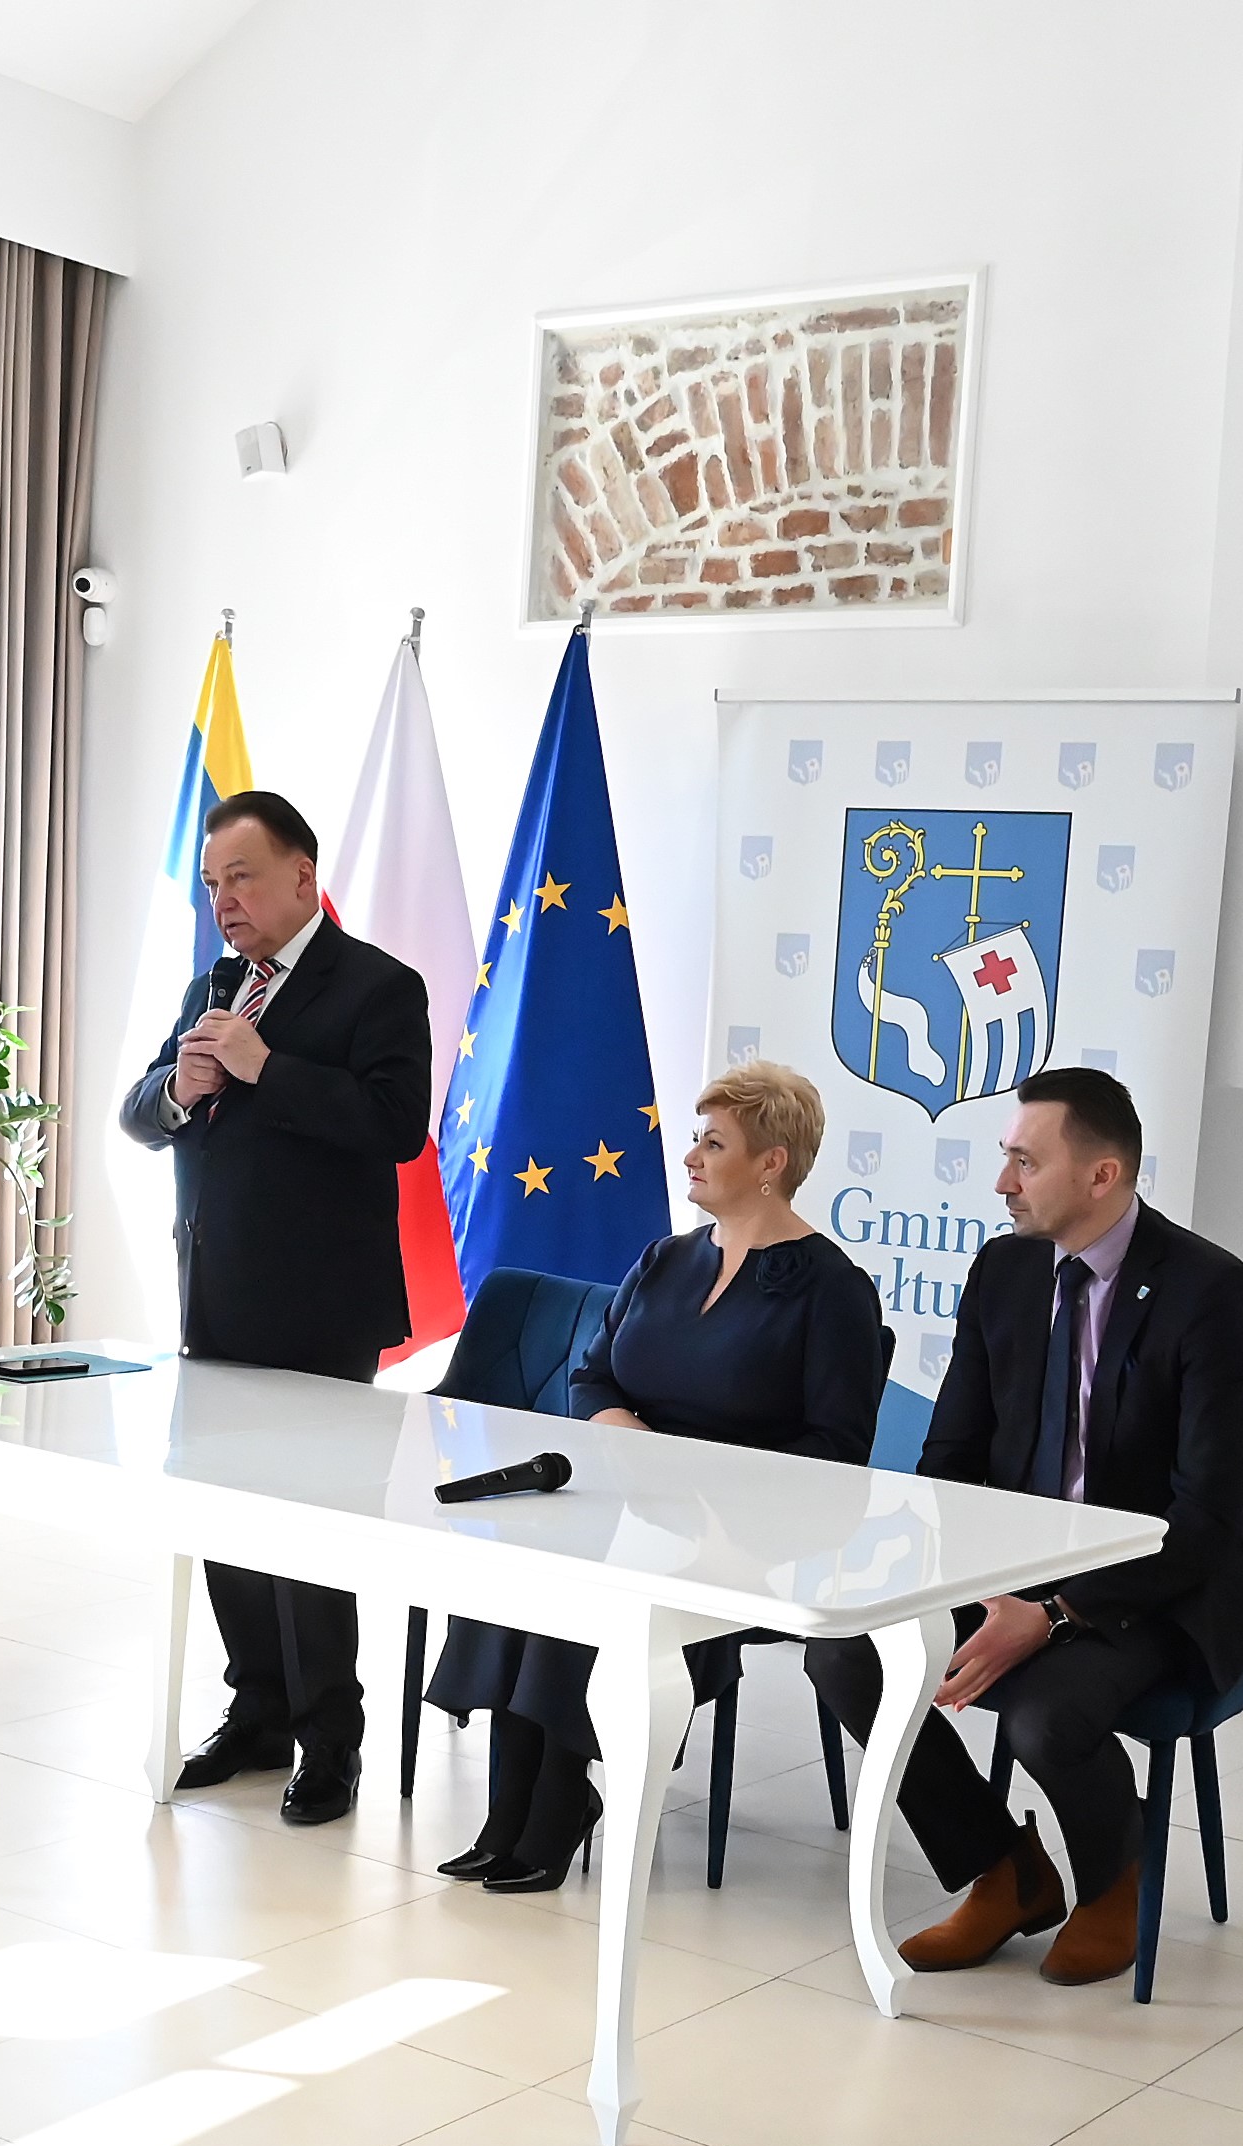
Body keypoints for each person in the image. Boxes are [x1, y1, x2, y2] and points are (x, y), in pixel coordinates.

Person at [804, 1066, 1243, 1987]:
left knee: (1045, 1715)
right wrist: (973, 1587)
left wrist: (1058, 1612)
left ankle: (1112, 1881)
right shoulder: (1004, 1270)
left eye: (1025, 1162)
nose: (1002, 1182)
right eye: (1006, 1158)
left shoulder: (1208, 1291)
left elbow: (1206, 1518)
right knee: (846, 1655)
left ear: (1102, 1175)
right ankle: (1004, 1870)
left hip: (1148, 1581)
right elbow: (951, 1459)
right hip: (1009, 1566)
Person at [426, 1060, 882, 1890]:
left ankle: (554, 1805)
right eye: (696, 1138)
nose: (690, 1156)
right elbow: (593, 1375)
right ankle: (510, 1809)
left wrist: (695, 1487)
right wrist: (636, 1447)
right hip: (632, 1496)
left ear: (771, 1162)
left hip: (742, 1531)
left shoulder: (832, 1289)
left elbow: (836, 1449)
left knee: (596, 1582)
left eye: (714, 1143)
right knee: (525, 1562)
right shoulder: (665, 1258)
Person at [118, 789, 432, 1827]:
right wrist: (181, 1090)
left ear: (302, 875)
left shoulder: (378, 986)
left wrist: (265, 1068)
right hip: (214, 1300)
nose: (224, 901)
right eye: (212, 883)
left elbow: (395, 1125)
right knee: (223, 1518)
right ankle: (254, 1713)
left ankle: (329, 1740)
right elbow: (139, 1113)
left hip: (320, 1310)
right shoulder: (214, 985)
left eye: (241, 878)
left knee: (309, 1530)